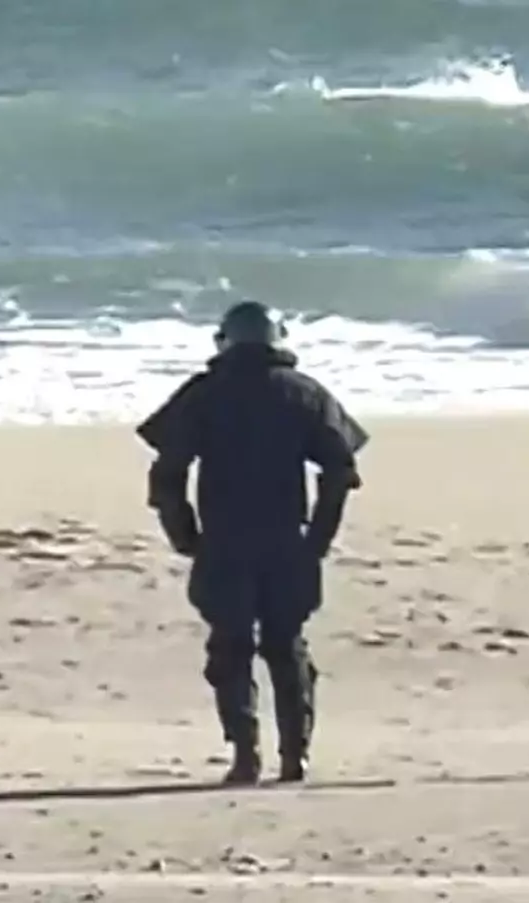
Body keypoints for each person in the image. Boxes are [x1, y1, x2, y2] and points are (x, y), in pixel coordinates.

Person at [135, 301, 368, 785]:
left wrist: (185, 536)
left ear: (226, 341)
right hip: (288, 541)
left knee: (231, 647)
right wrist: (319, 539)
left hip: (223, 542)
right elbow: (340, 471)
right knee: (287, 647)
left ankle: (245, 755)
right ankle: (294, 756)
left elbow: (166, 474)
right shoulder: (305, 394)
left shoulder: (203, 394)